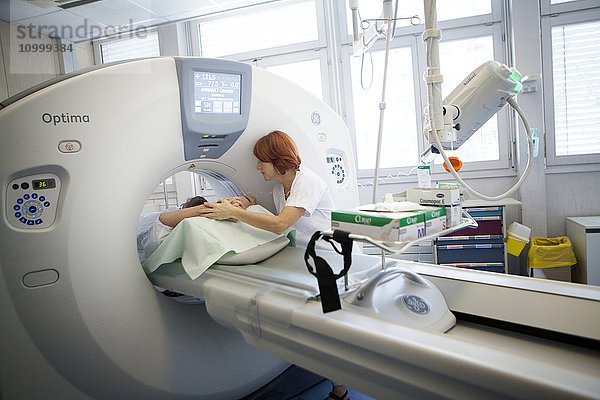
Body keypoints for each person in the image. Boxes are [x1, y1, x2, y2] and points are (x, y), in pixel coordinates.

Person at [197, 130, 349, 400]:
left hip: (331, 263)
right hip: (304, 263)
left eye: (261, 162)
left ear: (278, 160)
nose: (257, 167)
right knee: (315, 328)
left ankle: (340, 391)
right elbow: (268, 212)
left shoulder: (307, 182)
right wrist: (245, 201)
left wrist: (233, 212)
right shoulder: (281, 188)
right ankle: (338, 387)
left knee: (332, 330)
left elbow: (280, 224)